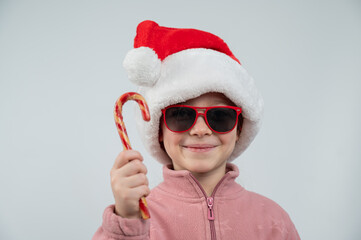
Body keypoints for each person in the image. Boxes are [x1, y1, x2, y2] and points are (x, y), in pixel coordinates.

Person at [93, 20, 300, 240]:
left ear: (239, 129)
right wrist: (127, 222)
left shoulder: (272, 222)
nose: (200, 130)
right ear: (159, 131)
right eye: (181, 115)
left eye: (220, 116)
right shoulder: (134, 219)